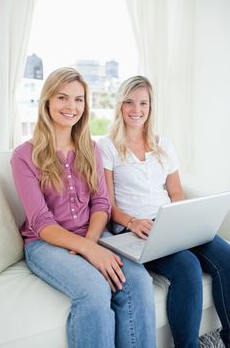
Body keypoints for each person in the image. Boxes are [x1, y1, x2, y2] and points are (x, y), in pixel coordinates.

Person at [11, 67, 156, 348]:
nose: (71, 106)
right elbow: (41, 222)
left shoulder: (92, 148)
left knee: (138, 280)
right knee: (93, 289)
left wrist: (91, 243)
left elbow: (101, 203)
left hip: (94, 234)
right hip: (45, 243)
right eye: (63, 98)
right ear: (48, 102)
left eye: (79, 100)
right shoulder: (23, 156)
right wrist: (89, 250)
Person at [98, 75, 230, 348]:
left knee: (226, 256)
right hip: (134, 227)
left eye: (143, 103)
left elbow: (176, 192)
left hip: (171, 221)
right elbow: (107, 204)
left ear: (151, 106)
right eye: (130, 102)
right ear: (120, 106)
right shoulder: (107, 147)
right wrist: (133, 222)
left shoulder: (163, 145)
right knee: (187, 267)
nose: (137, 110)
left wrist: (181, 217)